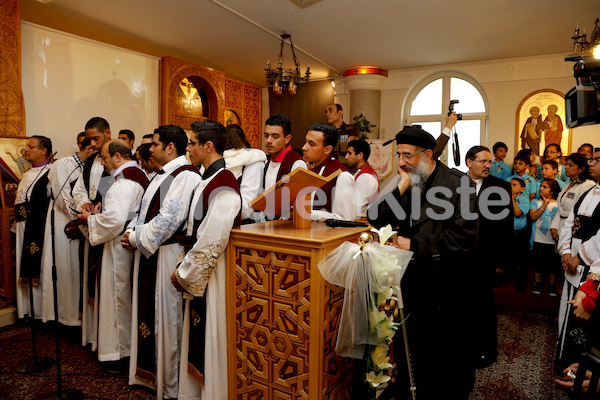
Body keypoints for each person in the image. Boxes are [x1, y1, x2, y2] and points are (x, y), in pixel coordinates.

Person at [367, 125, 478, 399]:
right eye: (398, 155)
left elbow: (464, 237)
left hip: (446, 283)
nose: (401, 162)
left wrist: (414, 244)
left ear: (428, 154)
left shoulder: (459, 183)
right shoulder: (408, 181)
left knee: (445, 354)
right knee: (412, 347)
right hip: (411, 281)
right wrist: (401, 184)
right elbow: (375, 218)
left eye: (407, 155)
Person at [122, 124, 201, 399]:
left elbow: (170, 219)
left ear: (170, 147)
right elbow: (144, 212)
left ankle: (171, 387)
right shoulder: (160, 175)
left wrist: (135, 237)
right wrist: (133, 230)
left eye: (154, 144)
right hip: (151, 251)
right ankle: (155, 377)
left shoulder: (186, 176)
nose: (150, 149)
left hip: (168, 254)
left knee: (168, 319)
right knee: (152, 315)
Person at [172, 120, 241, 400]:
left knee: (209, 336)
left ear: (208, 146)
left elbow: (213, 238)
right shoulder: (208, 179)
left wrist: (185, 274)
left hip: (213, 274)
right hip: (201, 271)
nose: (187, 148)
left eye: (191, 143)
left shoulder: (224, 184)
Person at [77, 140, 148, 369]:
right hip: (122, 243)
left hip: (118, 248)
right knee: (121, 298)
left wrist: (89, 219)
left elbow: (115, 221)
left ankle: (119, 351)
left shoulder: (124, 182)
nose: (104, 164)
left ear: (118, 157)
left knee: (117, 299)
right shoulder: (134, 176)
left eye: (105, 158)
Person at [465, 145, 513, 367]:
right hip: (458, 255)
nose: (487, 165)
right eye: (482, 161)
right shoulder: (455, 184)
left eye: (489, 162)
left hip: (486, 255)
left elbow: (505, 225)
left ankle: (486, 350)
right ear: (469, 162)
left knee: (484, 305)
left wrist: (501, 260)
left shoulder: (500, 186)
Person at [40, 136, 95, 326]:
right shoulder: (63, 164)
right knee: (65, 267)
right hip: (65, 222)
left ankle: (81, 315)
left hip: (85, 224)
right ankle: (65, 316)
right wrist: (81, 222)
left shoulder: (93, 167)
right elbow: (64, 198)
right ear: (89, 147)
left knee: (80, 269)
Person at [555, 148, 600, 372]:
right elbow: (570, 221)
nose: (592, 163)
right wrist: (564, 251)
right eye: (592, 159)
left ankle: (576, 370)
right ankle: (562, 361)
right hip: (572, 262)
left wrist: (579, 257)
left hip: (590, 270)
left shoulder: (589, 187)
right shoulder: (588, 192)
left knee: (581, 325)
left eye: (597, 160)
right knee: (566, 316)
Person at [72, 116, 111, 350]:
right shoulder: (90, 161)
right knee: (92, 281)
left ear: (107, 133)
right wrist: (85, 201)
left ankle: (107, 340)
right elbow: (79, 188)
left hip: (107, 231)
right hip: (91, 229)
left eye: (96, 138)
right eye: (89, 139)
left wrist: (99, 207)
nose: (93, 144)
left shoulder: (118, 158)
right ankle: (94, 336)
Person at [13, 135, 53, 320]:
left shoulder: (50, 173)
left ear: (44, 150)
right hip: (22, 227)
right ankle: (25, 310)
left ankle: (38, 311)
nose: (26, 149)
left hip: (37, 228)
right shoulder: (28, 173)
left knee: (39, 264)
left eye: (31, 146)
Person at [301, 122, 357, 222]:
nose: (304, 147)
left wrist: (308, 214)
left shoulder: (342, 176)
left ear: (327, 149)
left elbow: (345, 219)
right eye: (305, 142)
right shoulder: (313, 170)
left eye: (311, 144)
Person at [223, 124, 266, 224]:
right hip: (240, 218)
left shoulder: (218, 161)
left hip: (237, 220)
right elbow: (247, 207)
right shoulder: (255, 158)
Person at [550, 153, 595, 243]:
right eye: (566, 164)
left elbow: (582, 212)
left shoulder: (588, 185)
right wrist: (554, 227)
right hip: (560, 227)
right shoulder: (568, 185)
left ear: (581, 169)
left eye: (570, 165)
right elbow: (560, 209)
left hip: (574, 230)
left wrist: (568, 231)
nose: (566, 167)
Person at [529, 179, 561, 296]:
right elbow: (533, 217)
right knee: (538, 263)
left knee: (553, 264)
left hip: (553, 241)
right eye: (541, 186)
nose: (541, 188)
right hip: (538, 238)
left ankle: (552, 285)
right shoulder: (535, 202)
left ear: (552, 190)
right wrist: (544, 204)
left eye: (545, 187)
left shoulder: (559, 203)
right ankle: (537, 283)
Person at [262, 114, 306, 191]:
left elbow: (300, 198)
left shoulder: (296, 163)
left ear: (287, 139)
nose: (268, 141)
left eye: (275, 137)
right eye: (266, 136)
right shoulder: (268, 162)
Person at [345, 139, 379, 214]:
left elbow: (358, 206)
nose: (346, 157)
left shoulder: (365, 176)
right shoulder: (362, 172)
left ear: (360, 155)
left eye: (349, 153)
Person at [511, 177, 531, 292]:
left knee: (519, 260)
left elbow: (518, 213)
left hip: (520, 233)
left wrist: (512, 200)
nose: (511, 187)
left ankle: (520, 285)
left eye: (514, 185)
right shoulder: (504, 198)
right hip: (508, 232)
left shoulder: (524, 200)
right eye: (510, 185)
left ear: (522, 189)